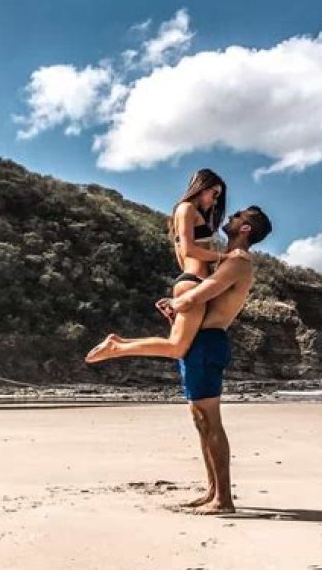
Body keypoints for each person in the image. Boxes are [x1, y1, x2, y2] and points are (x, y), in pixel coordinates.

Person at [156, 206, 272, 513]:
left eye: (238, 216)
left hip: (208, 343)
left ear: (245, 229)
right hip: (199, 342)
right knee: (200, 421)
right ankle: (212, 491)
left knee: (211, 421)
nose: (231, 216)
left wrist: (176, 302)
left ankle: (224, 500)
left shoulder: (238, 261)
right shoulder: (226, 260)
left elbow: (198, 296)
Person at [85, 168, 243, 363]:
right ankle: (116, 348)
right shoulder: (186, 208)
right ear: (202, 188)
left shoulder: (189, 212)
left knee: (176, 344)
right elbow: (188, 250)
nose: (216, 200)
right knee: (177, 348)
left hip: (192, 281)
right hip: (193, 282)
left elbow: (183, 256)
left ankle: (118, 343)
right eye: (215, 194)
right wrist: (224, 257)